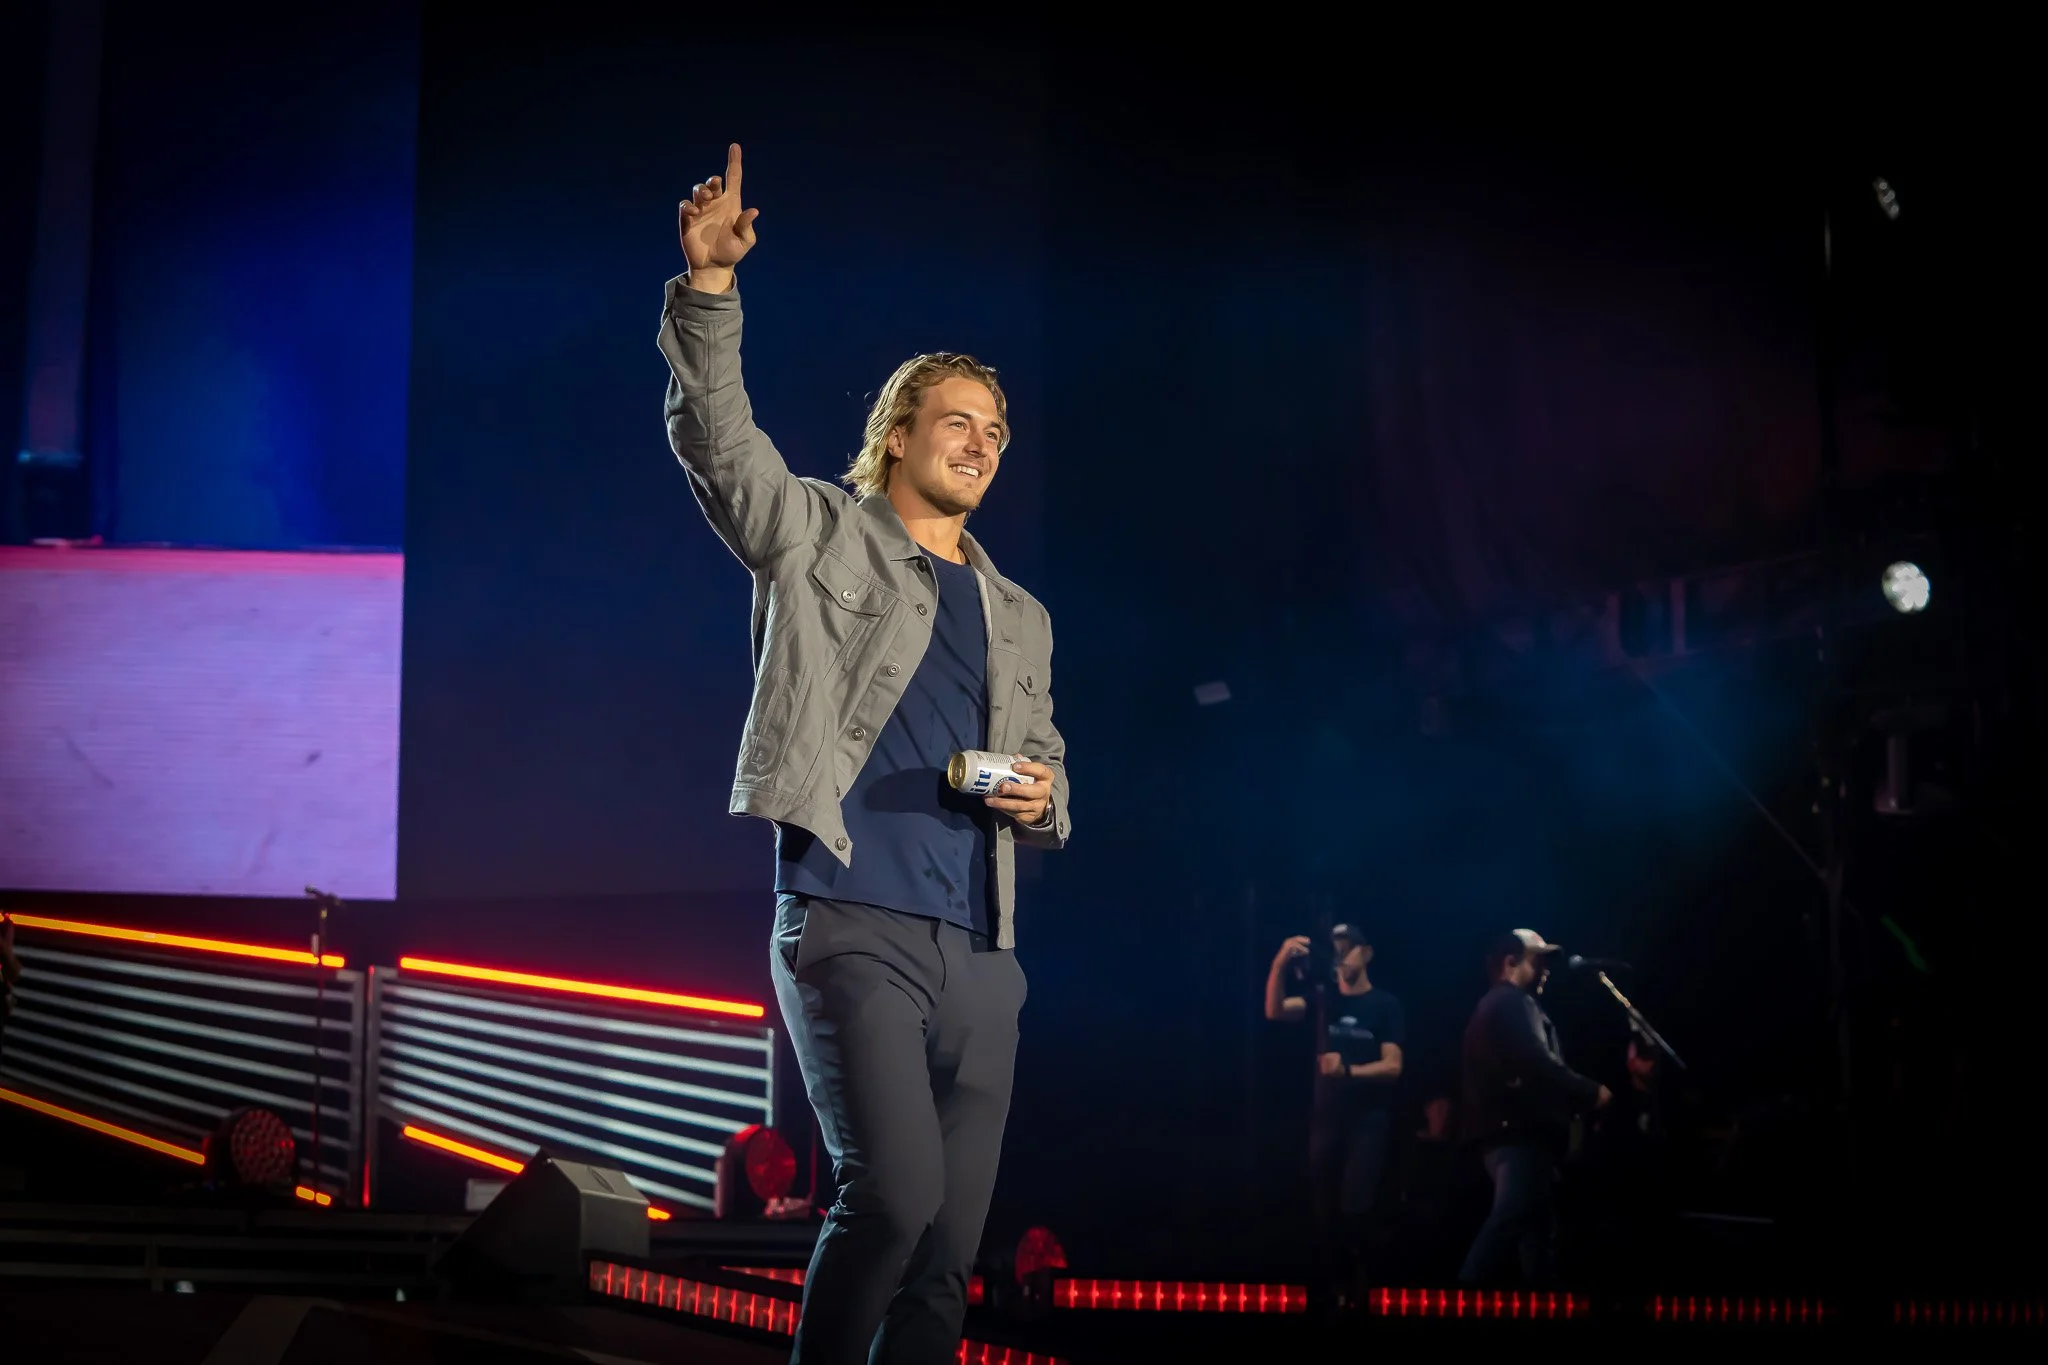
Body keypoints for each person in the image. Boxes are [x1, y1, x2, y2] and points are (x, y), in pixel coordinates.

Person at [660, 146, 1071, 1365]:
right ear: (897, 436)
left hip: (981, 957)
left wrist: (1041, 795)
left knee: (945, 1253)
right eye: (956, 423)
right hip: (849, 919)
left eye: (995, 432)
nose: (980, 445)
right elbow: (718, 445)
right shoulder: (819, 534)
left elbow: (1049, 773)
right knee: (890, 1197)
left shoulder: (1021, 614)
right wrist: (709, 290)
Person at [1456, 928, 1610, 1286]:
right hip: (1519, 1134)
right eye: (1538, 962)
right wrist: (1591, 1092)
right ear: (1510, 962)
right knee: (1512, 1217)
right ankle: (1460, 1296)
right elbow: (1536, 1061)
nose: (1546, 970)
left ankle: (1542, 1302)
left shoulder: (1498, 1004)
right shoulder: (1512, 1002)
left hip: (1511, 1135)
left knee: (1536, 1235)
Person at [1265, 923, 1405, 1307]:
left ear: (1367, 953)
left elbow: (1393, 1066)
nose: (1341, 956)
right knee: (1324, 1211)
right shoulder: (1323, 1000)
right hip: (1326, 1119)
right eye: (1336, 949)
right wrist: (1280, 962)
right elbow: (1274, 1010)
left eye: (1349, 948)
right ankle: (1336, 1291)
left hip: (1367, 1121)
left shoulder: (1385, 1005)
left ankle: (1362, 1285)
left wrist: (1349, 1071)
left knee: (1355, 1206)